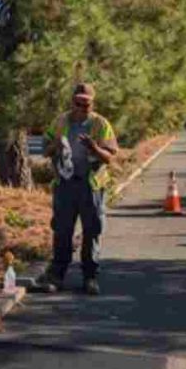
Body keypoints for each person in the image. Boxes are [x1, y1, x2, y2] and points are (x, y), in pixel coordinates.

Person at [38, 83, 119, 295]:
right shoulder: (60, 121)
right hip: (65, 185)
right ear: (72, 102)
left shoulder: (101, 124)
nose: (82, 108)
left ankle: (90, 277)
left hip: (90, 186)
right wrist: (54, 145)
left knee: (92, 231)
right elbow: (45, 150)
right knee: (62, 231)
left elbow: (110, 157)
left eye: (87, 104)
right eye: (78, 103)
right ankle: (57, 276)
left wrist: (95, 148)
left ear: (93, 103)